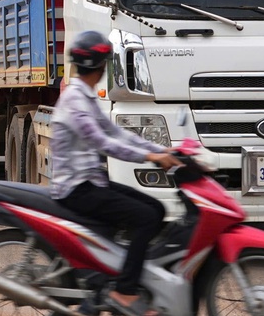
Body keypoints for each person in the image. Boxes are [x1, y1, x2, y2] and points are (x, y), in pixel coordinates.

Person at [50, 31, 182, 316]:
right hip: (76, 189)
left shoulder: (83, 95)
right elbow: (103, 142)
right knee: (145, 217)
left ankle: (116, 276)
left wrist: (163, 149)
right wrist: (151, 156)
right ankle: (124, 291)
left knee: (155, 208)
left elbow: (117, 133)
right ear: (99, 67)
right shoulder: (75, 100)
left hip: (91, 182)